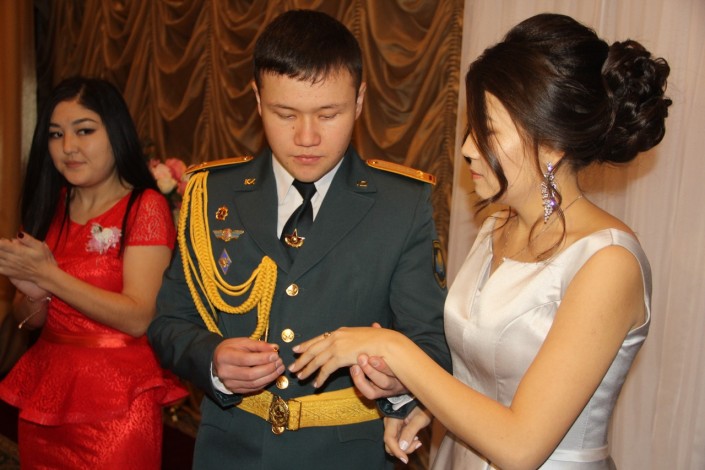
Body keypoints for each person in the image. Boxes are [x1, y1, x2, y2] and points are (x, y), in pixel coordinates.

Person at [290, 12, 671, 470]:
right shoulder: (497, 226)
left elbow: (520, 447)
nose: (468, 148)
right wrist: (417, 398)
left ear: (552, 145)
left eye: (487, 132)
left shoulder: (608, 262)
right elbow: (483, 373)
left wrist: (396, 348)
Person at [146, 8, 450, 470]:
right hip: (230, 451)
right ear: (257, 99)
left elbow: (431, 342)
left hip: (349, 456)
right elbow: (168, 322)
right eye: (284, 113)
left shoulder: (400, 205)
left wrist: (398, 381)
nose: (306, 137)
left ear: (360, 101)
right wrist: (212, 359)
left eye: (329, 114)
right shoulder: (212, 194)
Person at [0, 76, 187, 468]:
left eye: (84, 131)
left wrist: (50, 276)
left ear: (116, 133)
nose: (68, 146)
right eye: (55, 134)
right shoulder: (50, 204)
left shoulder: (144, 206)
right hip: (48, 396)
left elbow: (139, 316)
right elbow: (28, 319)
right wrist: (33, 293)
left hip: (118, 405)